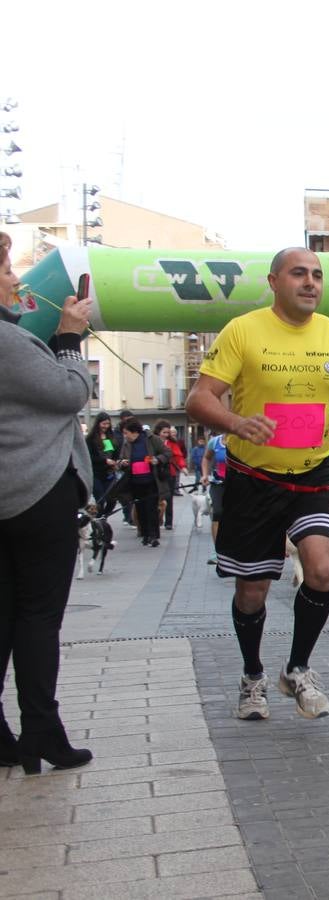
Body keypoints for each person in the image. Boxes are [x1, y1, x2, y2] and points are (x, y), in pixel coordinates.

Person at [186, 247, 329, 721]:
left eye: (316, 275)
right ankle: (252, 676)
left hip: (313, 475)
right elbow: (199, 398)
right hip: (254, 479)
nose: (310, 282)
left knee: (322, 569)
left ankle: (298, 668)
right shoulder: (243, 331)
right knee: (252, 593)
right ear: (274, 282)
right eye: (298, 274)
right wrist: (235, 422)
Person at [0, 234, 96, 774]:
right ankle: (42, 729)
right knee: (38, 616)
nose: (17, 279)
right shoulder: (8, 342)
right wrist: (68, 339)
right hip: (35, 492)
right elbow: (68, 392)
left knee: (5, 613)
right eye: (8, 268)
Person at [117, 417, 170, 547]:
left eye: (126, 433)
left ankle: (153, 535)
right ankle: (145, 535)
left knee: (151, 508)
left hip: (151, 480)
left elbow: (167, 453)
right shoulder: (127, 444)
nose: (125, 436)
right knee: (140, 509)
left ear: (134, 431)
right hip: (135, 482)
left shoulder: (151, 439)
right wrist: (122, 463)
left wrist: (157, 459)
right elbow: (121, 459)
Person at [202, 429, 228, 565]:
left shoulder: (242, 441)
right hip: (218, 483)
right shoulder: (215, 442)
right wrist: (205, 474)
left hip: (238, 484)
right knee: (217, 513)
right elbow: (206, 458)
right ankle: (219, 552)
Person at [85, 412, 120, 503]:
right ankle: (99, 515)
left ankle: (104, 516)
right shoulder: (91, 438)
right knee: (100, 499)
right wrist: (105, 461)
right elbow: (90, 457)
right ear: (98, 423)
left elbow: (113, 453)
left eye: (108, 424)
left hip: (109, 473)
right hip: (96, 473)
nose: (106, 426)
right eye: (103, 424)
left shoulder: (110, 437)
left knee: (111, 500)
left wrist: (115, 462)